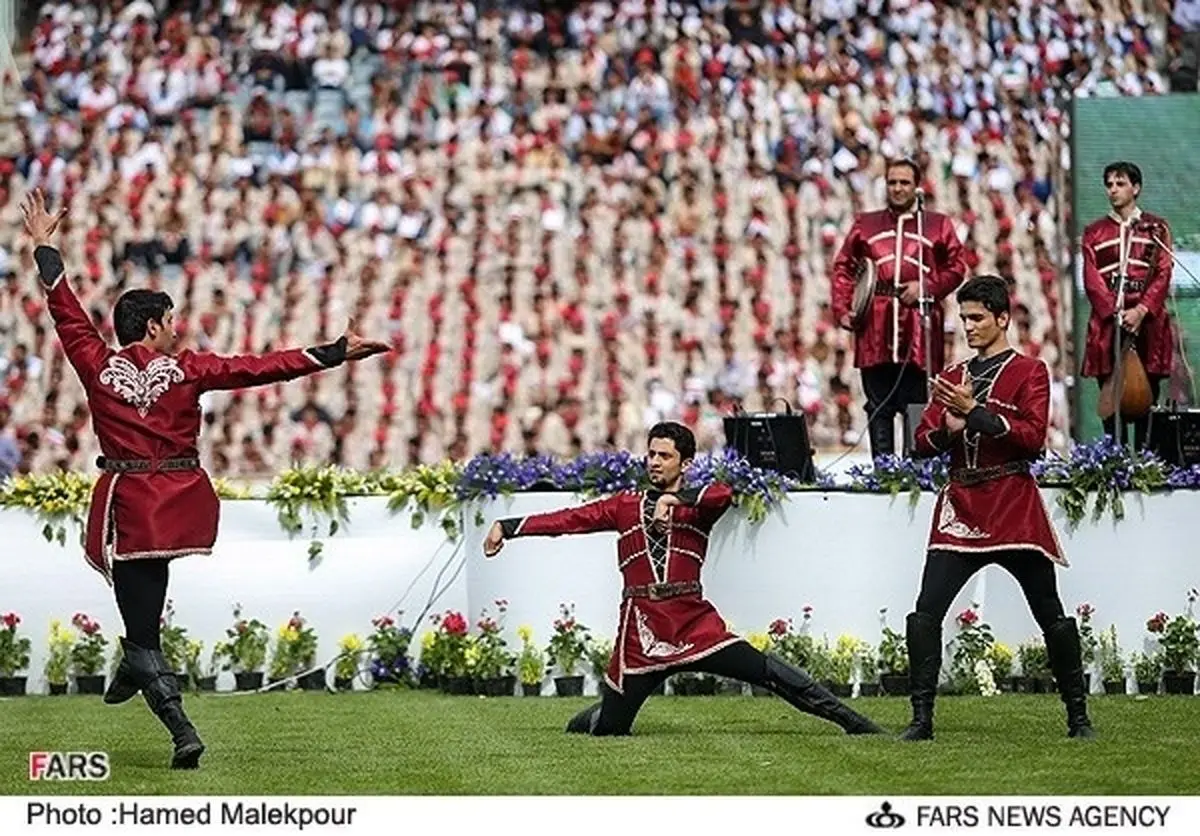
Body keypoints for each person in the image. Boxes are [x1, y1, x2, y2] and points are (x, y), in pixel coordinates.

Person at [20, 190, 390, 768]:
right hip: (174, 507)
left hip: (128, 507)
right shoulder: (189, 370)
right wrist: (333, 353)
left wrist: (44, 244)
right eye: (169, 320)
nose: (176, 329)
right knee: (142, 619)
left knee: (143, 633)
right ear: (149, 325)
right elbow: (259, 368)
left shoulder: (95, 364)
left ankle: (179, 728)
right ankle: (135, 668)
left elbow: (63, 306)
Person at [482, 421, 884, 738]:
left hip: (693, 622)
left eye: (665, 456)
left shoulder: (699, 506)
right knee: (610, 729)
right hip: (641, 630)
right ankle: (596, 715)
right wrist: (509, 525)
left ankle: (855, 723)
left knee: (768, 671)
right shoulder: (623, 506)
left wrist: (674, 500)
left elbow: (724, 493)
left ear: (685, 463)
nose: (654, 462)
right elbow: (568, 520)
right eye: (651, 455)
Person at [903, 274, 1094, 741]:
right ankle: (921, 720)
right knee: (925, 613)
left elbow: (1032, 442)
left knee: (1050, 610)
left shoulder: (1031, 371)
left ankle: (1079, 717)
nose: (967, 326)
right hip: (961, 506)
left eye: (976, 318)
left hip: (1012, 502)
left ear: (1002, 318)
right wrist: (950, 428)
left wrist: (976, 413)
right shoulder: (950, 377)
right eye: (963, 318)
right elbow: (920, 445)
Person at [831, 158, 968, 459]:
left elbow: (957, 267)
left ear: (916, 186)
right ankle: (883, 474)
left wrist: (927, 287)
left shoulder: (937, 225)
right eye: (892, 182)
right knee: (877, 403)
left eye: (904, 182)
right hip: (875, 324)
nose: (897, 188)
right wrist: (843, 308)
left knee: (916, 402)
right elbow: (843, 267)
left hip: (918, 325)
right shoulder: (864, 225)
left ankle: (915, 473)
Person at [1080, 161, 1174, 449]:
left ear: (1136, 188)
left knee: (1148, 395)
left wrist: (1142, 310)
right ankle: (1114, 463)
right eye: (1109, 184)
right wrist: (1114, 312)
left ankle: (1148, 462)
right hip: (1109, 325)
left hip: (1148, 324)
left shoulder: (1155, 228)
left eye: (1120, 184)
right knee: (1111, 394)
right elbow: (1091, 278)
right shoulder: (1094, 232)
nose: (1113, 190)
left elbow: (1163, 271)